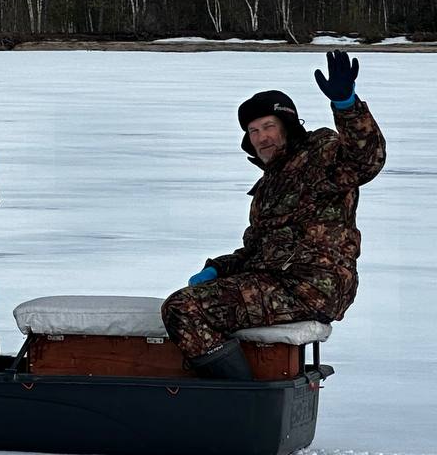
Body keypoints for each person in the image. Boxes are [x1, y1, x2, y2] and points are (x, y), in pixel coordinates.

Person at [161, 50, 386, 379]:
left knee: (185, 308)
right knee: (190, 301)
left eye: (269, 126)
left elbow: (365, 159)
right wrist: (218, 268)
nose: (262, 137)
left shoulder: (318, 155)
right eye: (254, 132)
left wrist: (346, 105)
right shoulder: (270, 185)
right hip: (279, 281)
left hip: (311, 285)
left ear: (289, 127)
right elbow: (260, 251)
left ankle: (246, 403)